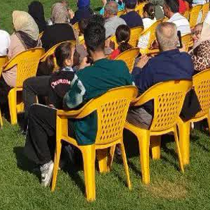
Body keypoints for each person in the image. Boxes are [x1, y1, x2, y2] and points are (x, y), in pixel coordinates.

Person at [23, 21, 133, 187]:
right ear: (105, 43)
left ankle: (46, 162)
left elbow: (68, 103)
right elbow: (132, 90)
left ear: (86, 47)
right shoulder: (122, 67)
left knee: (35, 112)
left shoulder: (84, 76)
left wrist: (80, 72)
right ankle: (61, 158)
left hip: (88, 129)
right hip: (115, 126)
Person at [129, 22, 195, 127]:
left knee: (125, 109)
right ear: (177, 39)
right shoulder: (187, 59)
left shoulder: (152, 65)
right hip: (179, 110)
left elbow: (135, 89)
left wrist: (137, 68)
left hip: (156, 116)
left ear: (157, 42)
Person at [19, 42, 77, 132]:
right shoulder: (63, 79)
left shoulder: (56, 80)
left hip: (62, 120)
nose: (79, 54)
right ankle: (30, 125)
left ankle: (29, 125)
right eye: (76, 53)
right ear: (68, 61)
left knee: (28, 84)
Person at [1, 11, 40, 101]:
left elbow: (5, 59)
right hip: (30, 76)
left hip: (12, 80)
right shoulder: (37, 41)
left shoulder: (14, 39)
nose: (12, 24)